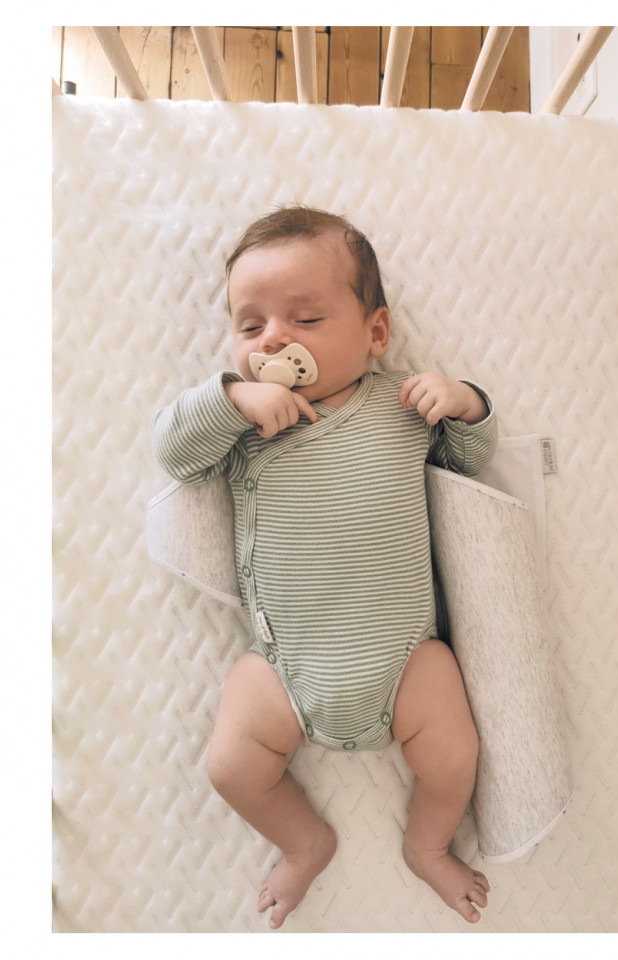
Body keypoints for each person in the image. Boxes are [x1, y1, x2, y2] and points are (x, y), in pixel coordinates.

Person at [152, 205, 497, 929]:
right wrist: (234, 399)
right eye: (250, 326)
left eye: (305, 318)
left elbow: (469, 462)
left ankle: (427, 846)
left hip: (406, 660)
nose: (273, 339)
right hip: (286, 668)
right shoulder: (246, 427)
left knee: (455, 758)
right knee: (230, 767)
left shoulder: (401, 405)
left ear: (375, 332)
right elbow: (175, 450)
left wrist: (464, 404)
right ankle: (304, 841)